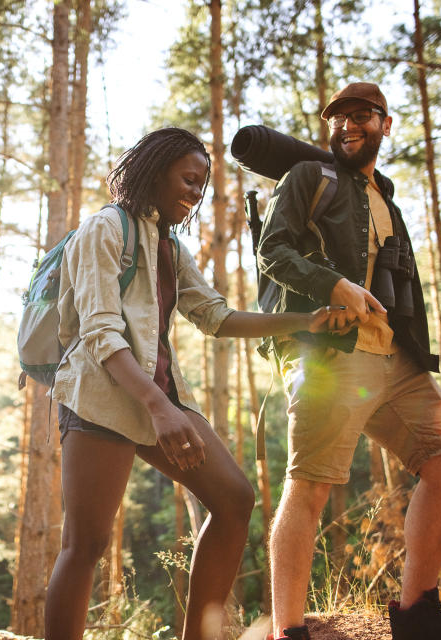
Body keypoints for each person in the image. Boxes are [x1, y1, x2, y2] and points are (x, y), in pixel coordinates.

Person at [46, 127, 332, 640]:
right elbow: (101, 333)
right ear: (155, 172)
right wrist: (160, 408)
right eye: (188, 179)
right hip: (98, 398)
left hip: (161, 398)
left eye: (201, 186)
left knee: (234, 500)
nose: (195, 193)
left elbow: (216, 316)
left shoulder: (168, 246)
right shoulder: (103, 229)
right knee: (85, 545)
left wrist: (304, 322)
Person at [256, 83, 441, 640]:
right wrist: (332, 285)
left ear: (385, 124)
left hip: (395, 356)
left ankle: (418, 615)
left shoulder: (386, 199)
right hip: (330, 353)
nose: (347, 124)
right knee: (311, 485)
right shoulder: (307, 179)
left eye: (361, 115)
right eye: (338, 117)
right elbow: (271, 251)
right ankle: (289, 632)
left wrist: (416, 346)